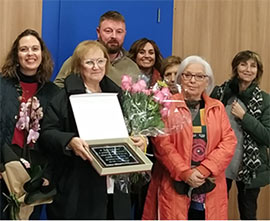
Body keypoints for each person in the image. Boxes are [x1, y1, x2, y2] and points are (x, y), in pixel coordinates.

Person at [39, 40, 147, 219]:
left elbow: (133, 129)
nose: (96, 67)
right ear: (78, 66)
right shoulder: (63, 98)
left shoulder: (118, 95)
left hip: (116, 184)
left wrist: (141, 140)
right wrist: (69, 141)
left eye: (101, 61)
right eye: (89, 62)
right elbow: (47, 133)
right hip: (78, 184)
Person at [142, 55, 237, 220]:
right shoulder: (167, 105)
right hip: (175, 183)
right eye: (187, 75)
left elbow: (228, 142)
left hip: (208, 183)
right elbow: (162, 144)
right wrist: (185, 172)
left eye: (199, 76)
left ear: (207, 82)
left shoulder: (217, 107)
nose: (193, 80)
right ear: (180, 79)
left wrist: (203, 170)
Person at [0, 29, 59, 219]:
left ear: (42, 54)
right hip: (4, 170)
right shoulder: (2, 86)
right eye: (24, 49)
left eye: (35, 49)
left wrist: (48, 173)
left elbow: (55, 137)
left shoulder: (53, 93)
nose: (30, 54)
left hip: (36, 175)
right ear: (16, 55)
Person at [211, 50, 270, 220]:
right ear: (236, 67)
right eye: (243, 64)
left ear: (258, 72)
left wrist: (245, 117)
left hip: (250, 167)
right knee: (216, 209)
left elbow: (267, 136)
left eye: (253, 66)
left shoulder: (265, 100)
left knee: (248, 212)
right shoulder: (221, 93)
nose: (248, 69)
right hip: (222, 162)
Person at [54, 10, 140, 87]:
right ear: (98, 32)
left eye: (119, 32)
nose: (114, 36)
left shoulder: (132, 67)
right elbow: (57, 88)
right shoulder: (81, 57)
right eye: (108, 31)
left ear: (125, 33)